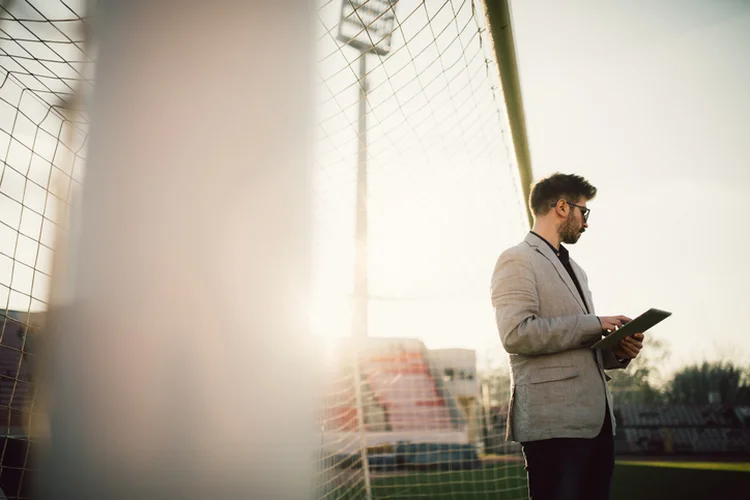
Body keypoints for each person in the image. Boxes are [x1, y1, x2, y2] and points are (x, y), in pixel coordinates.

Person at [490, 173, 644, 500]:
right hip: (553, 424)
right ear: (562, 207)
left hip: (596, 424)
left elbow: (581, 344)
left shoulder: (578, 269)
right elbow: (517, 334)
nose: (586, 223)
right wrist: (594, 323)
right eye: (583, 212)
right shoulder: (517, 258)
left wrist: (618, 351)